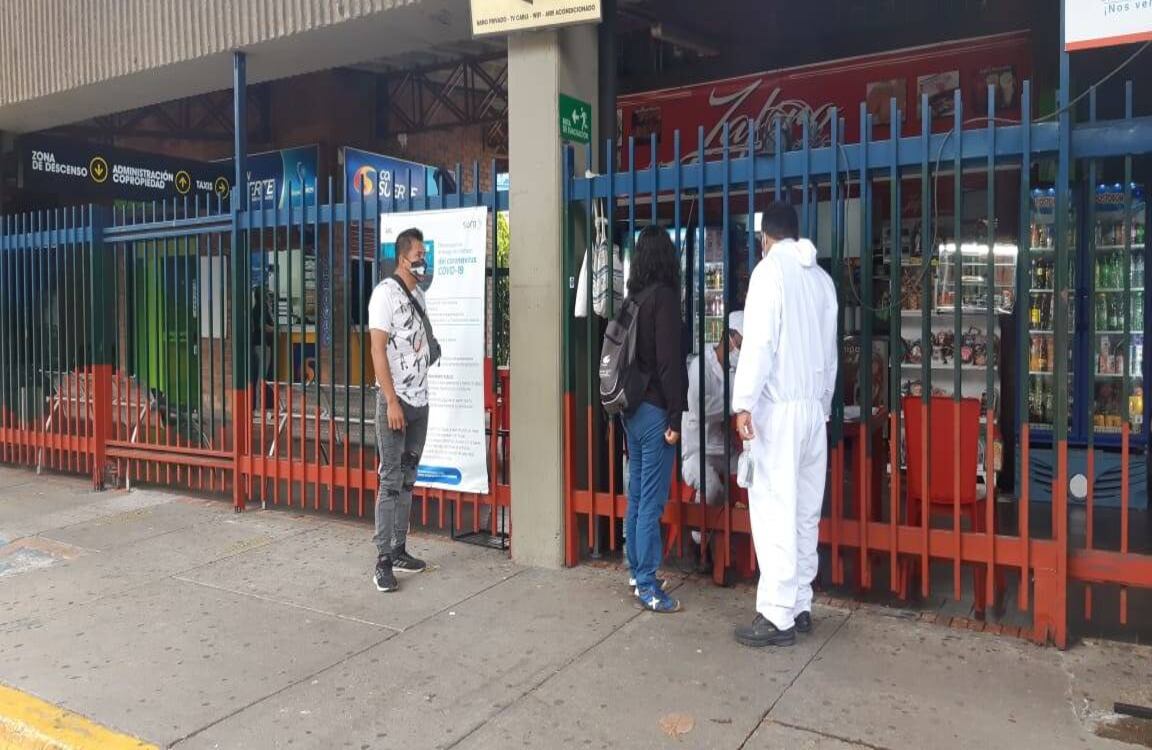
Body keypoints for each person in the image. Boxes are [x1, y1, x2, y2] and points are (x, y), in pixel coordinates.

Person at [732, 203, 838, 647]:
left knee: (775, 509)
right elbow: (831, 354)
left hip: (779, 411)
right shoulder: (821, 280)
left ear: (765, 238)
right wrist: (825, 406)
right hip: (815, 411)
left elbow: (758, 346)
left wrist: (743, 404)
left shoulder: (768, 273)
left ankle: (777, 615)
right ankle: (799, 602)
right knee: (804, 512)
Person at [622, 225, 687, 613]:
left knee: (637, 498)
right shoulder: (663, 298)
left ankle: (636, 571)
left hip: (632, 410)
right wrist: (676, 418)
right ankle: (647, 584)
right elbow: (669, 364)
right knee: (651, 501)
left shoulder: (634, 299)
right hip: (655, 411)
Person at [367, 227, 431, 592]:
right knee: (390, 480)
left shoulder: (419, 293)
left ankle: (400, 548)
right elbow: (377, 351)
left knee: (408, 477)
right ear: (404, 257)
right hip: (396, 401)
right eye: (420, 253)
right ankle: (382, 561)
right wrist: (391, 400)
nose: (424, 259)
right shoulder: (384, 296)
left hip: (421, 400)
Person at [682, 311, 744, 551]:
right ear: (729, 338)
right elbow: (702, 407)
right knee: (713, 488)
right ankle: (699, 544)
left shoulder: (736, 369)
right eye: (741, 343)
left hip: (724, 450)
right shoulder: (700, 367)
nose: (742, 350)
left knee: (756, 473)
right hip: (697, 450)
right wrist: (735, 403)